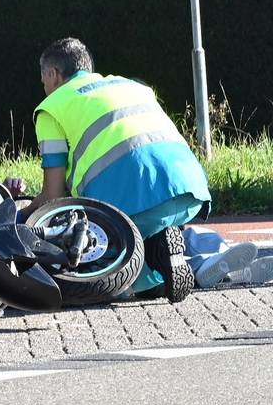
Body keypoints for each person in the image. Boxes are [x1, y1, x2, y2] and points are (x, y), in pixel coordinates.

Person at [25, 38, 211, 302]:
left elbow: (53, 195)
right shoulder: (131, 86)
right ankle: (162, 254)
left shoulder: (52, 107)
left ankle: (152, 262)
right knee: (142, 273)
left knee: (97, 270)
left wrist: (22, 219)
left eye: (43, 81)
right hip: (188, 191)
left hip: (132, 209)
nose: (43, 88)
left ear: (53, 74)